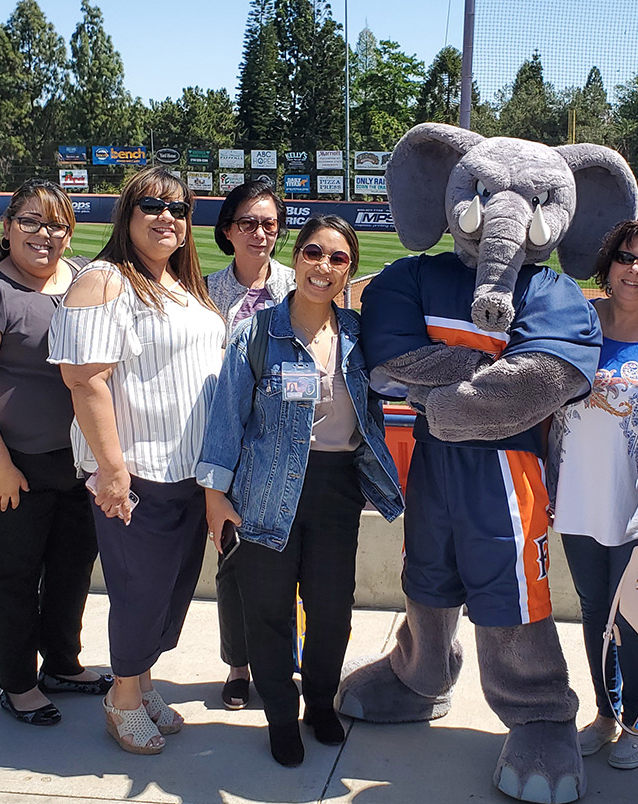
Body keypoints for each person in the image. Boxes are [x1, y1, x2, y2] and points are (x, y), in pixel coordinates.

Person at [196, 216, 405, 767]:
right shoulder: (258, 333)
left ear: (349, 271)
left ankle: (318, 702)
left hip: (335, 490)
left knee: (332, 610)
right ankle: (281, 717)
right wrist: (216, 496)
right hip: (265, 488)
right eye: (314, 253)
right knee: (267, 613)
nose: (324, 267)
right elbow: (227, 417)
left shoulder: (360, 337)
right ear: (298, 258)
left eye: (338, 259)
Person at [48, 166, 226, 756]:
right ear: (127, 214)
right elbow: (85, 379)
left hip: (187, 470)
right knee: (138, 590)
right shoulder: (105, 279)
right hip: (137, 470)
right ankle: (122, 698)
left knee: (169, 591)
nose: (166, 218)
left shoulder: (178, 283)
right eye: (152, 205)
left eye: (178, 209)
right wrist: (113, 470)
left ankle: (143, 683)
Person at [0, 179, 109, 728]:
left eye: (57, 224)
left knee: (70, 567)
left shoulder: (84, 281)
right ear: (8, 226)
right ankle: (18, 683)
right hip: (6, 461)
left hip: (74, 460)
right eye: (31, 222)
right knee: (12, 574)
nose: (45, 234)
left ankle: (61, 662)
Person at [545, 217, 638, 772]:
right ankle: (605, 713)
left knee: (634, 620)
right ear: (609, 263)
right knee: (593, 609)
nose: (635, 270)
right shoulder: (575, 319)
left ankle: (637, 722)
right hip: (575, 494)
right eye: (627, 257)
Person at [203, 177, 293, 710]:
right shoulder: (204, 288)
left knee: (289, 561)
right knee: (232, 557)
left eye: (268, 224)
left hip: (285, 442)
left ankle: (285, 659)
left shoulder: (297, 281)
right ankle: (239, 665)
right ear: (228, 230)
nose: (259, 233)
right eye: (247, 223)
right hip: (228, 441)